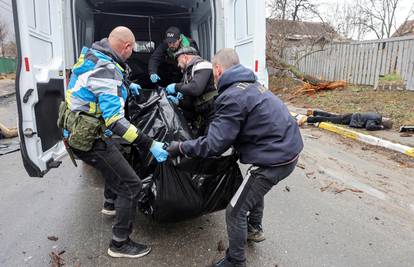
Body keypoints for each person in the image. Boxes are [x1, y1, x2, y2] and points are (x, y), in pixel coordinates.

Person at [167, 48, 304, 267]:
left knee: (234, 211)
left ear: (218, 69)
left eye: (213, 71)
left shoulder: (232, 96)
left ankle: (236, 261)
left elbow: (213, 144)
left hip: (274, 159)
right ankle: (253, 228)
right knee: (252, 186)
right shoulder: (253, 85)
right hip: (287, 152)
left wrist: (180, 147)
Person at [63, 26, 168, 258]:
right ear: (128, 47)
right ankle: (119, 244)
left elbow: (97, 83)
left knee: (117, 159)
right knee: (131, 184)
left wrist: (127, 85)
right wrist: (149, 143)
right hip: (88, 138)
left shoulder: (95, 55)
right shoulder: (107, 69)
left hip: (79, 130)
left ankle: (110, 204)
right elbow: (115, 122)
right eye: (132, 50)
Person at [165, 46, 217, 135]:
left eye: (178, 60)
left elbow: (196, 89)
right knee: (199, 141)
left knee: (209, 143)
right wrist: (179, 102)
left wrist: (176, 87)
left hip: (214, 112)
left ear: (185, 57)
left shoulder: (202, 65)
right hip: (204, 115)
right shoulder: (188, 73)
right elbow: (191, 103)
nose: (178, 65)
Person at [306, 110, 393, 130]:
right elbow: (369, 127)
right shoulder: (375, 121)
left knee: (332, 116)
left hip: (351, 115)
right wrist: (380, 127)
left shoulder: (378, 115)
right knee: (328, 119)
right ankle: (309, 119)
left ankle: (314, 112)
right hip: (350, 119)